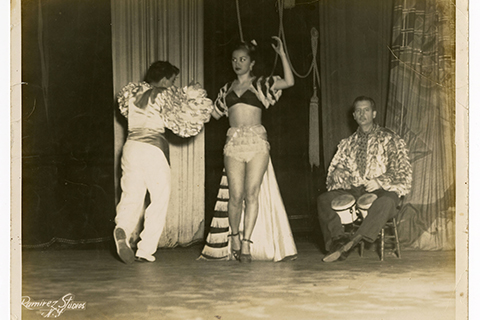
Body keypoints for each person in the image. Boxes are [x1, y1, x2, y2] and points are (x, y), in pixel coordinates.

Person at [198, 37, 297, 263]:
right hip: (233, 142)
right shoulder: (226, 89)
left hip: (256, 141)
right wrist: (190, 108)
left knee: (252, 193)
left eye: (243, 59)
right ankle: (234, 236)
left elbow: (289, 82)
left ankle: (246, 243)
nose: (237, 63)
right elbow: (212, 114)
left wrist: (282, 54)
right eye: (234, 59)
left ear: (251, 63)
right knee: (235, 195)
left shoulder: (262, 83)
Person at [114, 61, 213, 264]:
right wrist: (193, 96)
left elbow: (125, 112)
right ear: (166, 78)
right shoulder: (165, 93)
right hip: (153, 149)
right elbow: (183, 124)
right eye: (173, 79)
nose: (173, 83)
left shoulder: (132, 92)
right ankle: (145, 250)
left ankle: (122, 228)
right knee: (159, 200)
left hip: (130, 147)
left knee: (131, 195)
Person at [317, 96, 412, 262]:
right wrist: (339, 172)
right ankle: (337, 241)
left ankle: (352, 242)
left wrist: (380, 181)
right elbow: (338, 169)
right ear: (354, 115)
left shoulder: (390, 138)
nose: (362, 114)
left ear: (374, 113)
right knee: (324, 199)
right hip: (355, 189)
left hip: (384, 190)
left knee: (386, 203)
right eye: (358, 111)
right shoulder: (347, 143)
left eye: (366, 110)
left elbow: (401, 168)